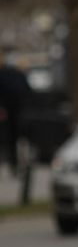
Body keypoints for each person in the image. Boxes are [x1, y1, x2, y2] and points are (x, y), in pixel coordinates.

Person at [0, 46, 32, 177]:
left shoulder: (7, 74)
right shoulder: (18, 75)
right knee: (15, 141)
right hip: (15, 114)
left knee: (12, 141)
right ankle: (16, 165)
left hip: (13, 114)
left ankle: (15, 165)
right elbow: (28, 93)